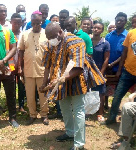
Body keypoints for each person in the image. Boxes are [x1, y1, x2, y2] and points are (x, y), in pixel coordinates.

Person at [39, 22, 106, 150]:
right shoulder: (50, 43)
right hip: (59, 78)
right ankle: (70, 132)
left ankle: (79, 144)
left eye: (52, 37)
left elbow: (79, 68)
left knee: (78, 110)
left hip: (76, 79)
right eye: (48, 38)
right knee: (64, 107)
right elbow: (47, 65)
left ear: (60, 32)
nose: (50, 40)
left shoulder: (75, 42)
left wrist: (62, 78)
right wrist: (44, 83)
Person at [18, 11, 49, 125]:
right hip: (28, 69)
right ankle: (32, 114)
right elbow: (21, 51)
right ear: (31, 22)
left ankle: (44, 115)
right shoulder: (25, 34)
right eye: (34, 23)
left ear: (42, 22)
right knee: (30, 95)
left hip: (42, 70)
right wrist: (20, 68)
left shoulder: (47, 34)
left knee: (43, 94)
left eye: (38, 23)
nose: (36, 25)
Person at [104, 12, 128, 110]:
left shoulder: (127, 35)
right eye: (117, 20)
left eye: (121, 20)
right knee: (106, 84)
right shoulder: (109, 36)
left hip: (120, 67)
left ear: (125, 22)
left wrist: (113, 64)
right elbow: (105, 50)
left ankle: (115, 106)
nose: (119, 22)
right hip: (108, 65)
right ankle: (105, 104)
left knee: (118, 88)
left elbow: (124, 54)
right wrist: (107, 65)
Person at [91, 22, 110, 122]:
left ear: (102, 30)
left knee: (101, 93)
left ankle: (100, 113)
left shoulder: (105, 43)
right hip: (88, 71)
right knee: (88, 92)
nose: (96, 30)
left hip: (100, 71)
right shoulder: (88, 41)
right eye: (94, 28)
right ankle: (88, 111)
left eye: (98, 28)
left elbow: (106, 59)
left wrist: (101, 73)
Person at [10, 13, 26, 113]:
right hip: (11, 65)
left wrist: (21, 66)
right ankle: (11, 105)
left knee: (21, 86)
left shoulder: (23, 35)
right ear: (11, 22)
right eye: (15, 22)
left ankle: (21, 105)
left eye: (19, 23)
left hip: (21, 65)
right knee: (11, 86)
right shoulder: (7, 34)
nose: (17, 24)